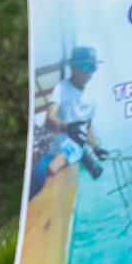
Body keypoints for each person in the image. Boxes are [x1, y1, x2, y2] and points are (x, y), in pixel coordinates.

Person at [30, 46, 109, 198]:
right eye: (85, 66)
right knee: (35, 176)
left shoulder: (92, 98)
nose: (89, 72)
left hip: (75, 146)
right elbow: (49, 120)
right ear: (73, 66)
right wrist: (66, 128)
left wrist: (97, 148)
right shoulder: (61, 88)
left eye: (93, 68)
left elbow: (88, 129)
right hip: (55, 149)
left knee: (53, 169)